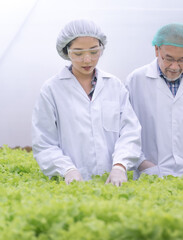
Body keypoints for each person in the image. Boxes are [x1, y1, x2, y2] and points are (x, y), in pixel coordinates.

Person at [32, 19, 142, 186]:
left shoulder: (114, 85)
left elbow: (130, 131)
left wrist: (120, 165)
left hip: (114, 184)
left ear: (101, 49)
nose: (87, 60)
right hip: (72, 186)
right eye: (78, 53)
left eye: (94, 51)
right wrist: (67, 169)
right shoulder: (52, 90)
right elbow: (44, 141)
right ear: (66, 51)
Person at [126, 23, 183, 179]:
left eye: (182, 59)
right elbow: (124, 131)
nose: (175, 67)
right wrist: (142, 163)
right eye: (168, 59)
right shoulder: (136, 80)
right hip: (149, 175)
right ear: (156, 50)